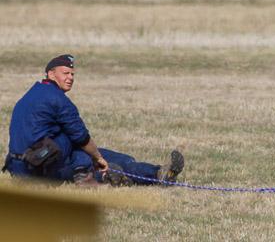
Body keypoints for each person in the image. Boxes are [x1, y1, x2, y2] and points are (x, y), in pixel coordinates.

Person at [6, 55, 183, 186]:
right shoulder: (58, 100)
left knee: (103, 158)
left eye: (73, 74)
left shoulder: (31, 94)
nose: (70, 78)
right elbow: (81, 137)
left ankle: (113, 177)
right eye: (65, 73)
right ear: (50, 75)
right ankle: (155, 175)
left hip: (20, 167)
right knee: (90, 148)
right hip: (40, 166)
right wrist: (97, 157)